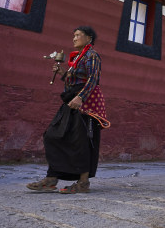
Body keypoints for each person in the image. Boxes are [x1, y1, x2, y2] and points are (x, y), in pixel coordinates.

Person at [27, 26, 110, 194]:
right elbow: (73, 81)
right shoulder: (77, 58)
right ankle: (52, 178)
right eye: (74, 35)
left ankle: (83, 182)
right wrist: (63, 73)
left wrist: (81, 98)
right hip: (71, 99)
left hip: (86, 102)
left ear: (89, 39)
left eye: (79, 35)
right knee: (53, 134)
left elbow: (93, 79)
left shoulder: (92, 56)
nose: (74, 38)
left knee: (82, 140)